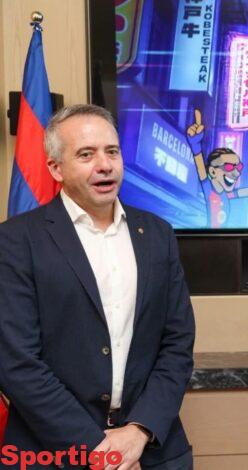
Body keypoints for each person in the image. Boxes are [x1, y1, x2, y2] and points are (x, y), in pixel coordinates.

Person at [0, 104, 195, 469]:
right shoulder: (15, 241)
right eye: (86, 154)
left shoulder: (157, 234)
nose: (105, 165)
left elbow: (177, 344)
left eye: (112, 151)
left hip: (152, 449)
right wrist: (98, 449)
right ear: (55, 168)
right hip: (51, 451)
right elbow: (16, 362)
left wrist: (139, 431)